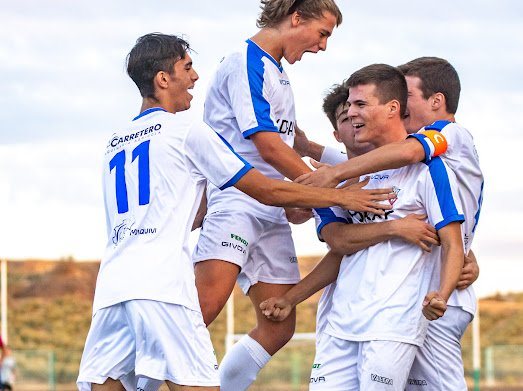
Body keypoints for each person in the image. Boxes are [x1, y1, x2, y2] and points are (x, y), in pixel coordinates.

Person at [76, 33, 392, 391]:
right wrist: (339, 198)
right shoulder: (188, 130)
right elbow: (265, 189)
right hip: (163, 286)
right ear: (163, 79)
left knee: (108, 382)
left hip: (113, 285)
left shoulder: (115, 141)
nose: (195, 78)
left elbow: (183, 211)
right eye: (187, 68)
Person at [262, 64, 465, 390]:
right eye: (348, 108)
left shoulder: (430, 167)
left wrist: (443, 292)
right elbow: (339, 245)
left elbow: (454, 243)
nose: (352, 113)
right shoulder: (347, 175)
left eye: (360, 105)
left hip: (391, 325)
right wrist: (395, 227)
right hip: (340, 323)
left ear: (392, 108)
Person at [191, 1, 346, 390]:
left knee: (279, 324)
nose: (323, 46)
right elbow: (267, 146)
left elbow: (287, 147)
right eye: (322, 33)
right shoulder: (247, 60)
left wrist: (298, 197)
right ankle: (126, 381)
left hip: (272, 208)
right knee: (200, 311)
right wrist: (319, 192)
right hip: (237, 201)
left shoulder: (278, 73)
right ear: (296, 18)